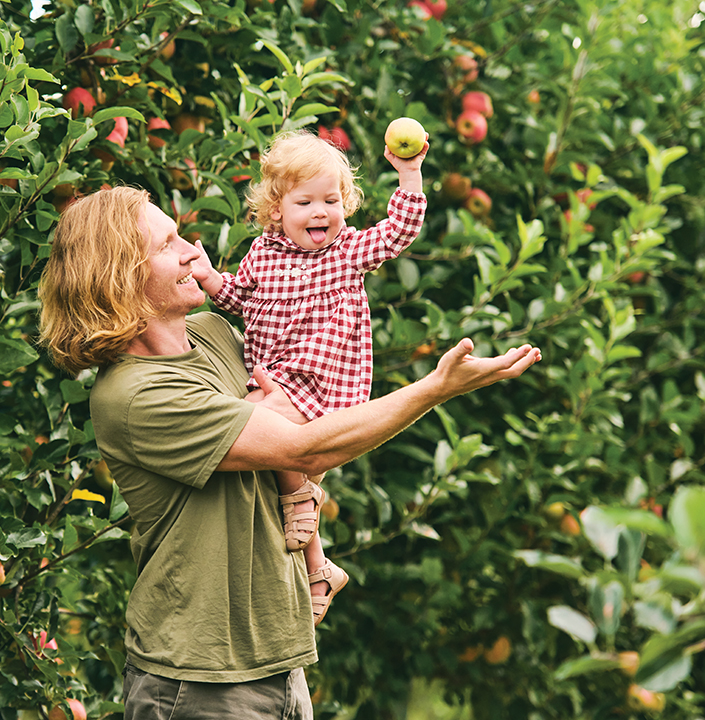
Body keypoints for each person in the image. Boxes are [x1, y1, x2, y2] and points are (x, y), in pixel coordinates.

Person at [37, 185, 540, 719]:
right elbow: (303, 447)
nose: (191, 251)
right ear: (120, 276)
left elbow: (300, 424)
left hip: (281, 660)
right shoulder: (135, 396)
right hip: (198, 680)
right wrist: (435, 388)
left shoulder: (214, 333)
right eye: (167, 244)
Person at [189, 129, 429, 627]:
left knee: (254, 428)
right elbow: (240, 301)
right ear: (276, 210)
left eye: (332, 199)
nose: (321, 211)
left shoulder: (347, 252)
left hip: (324, 378)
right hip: (275, 374)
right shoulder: (261, 255)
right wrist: (211, 278)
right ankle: (320, 569)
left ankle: (303, 496)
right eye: (305, 202)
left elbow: (399, 230)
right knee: (262, 442)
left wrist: (409, 173)